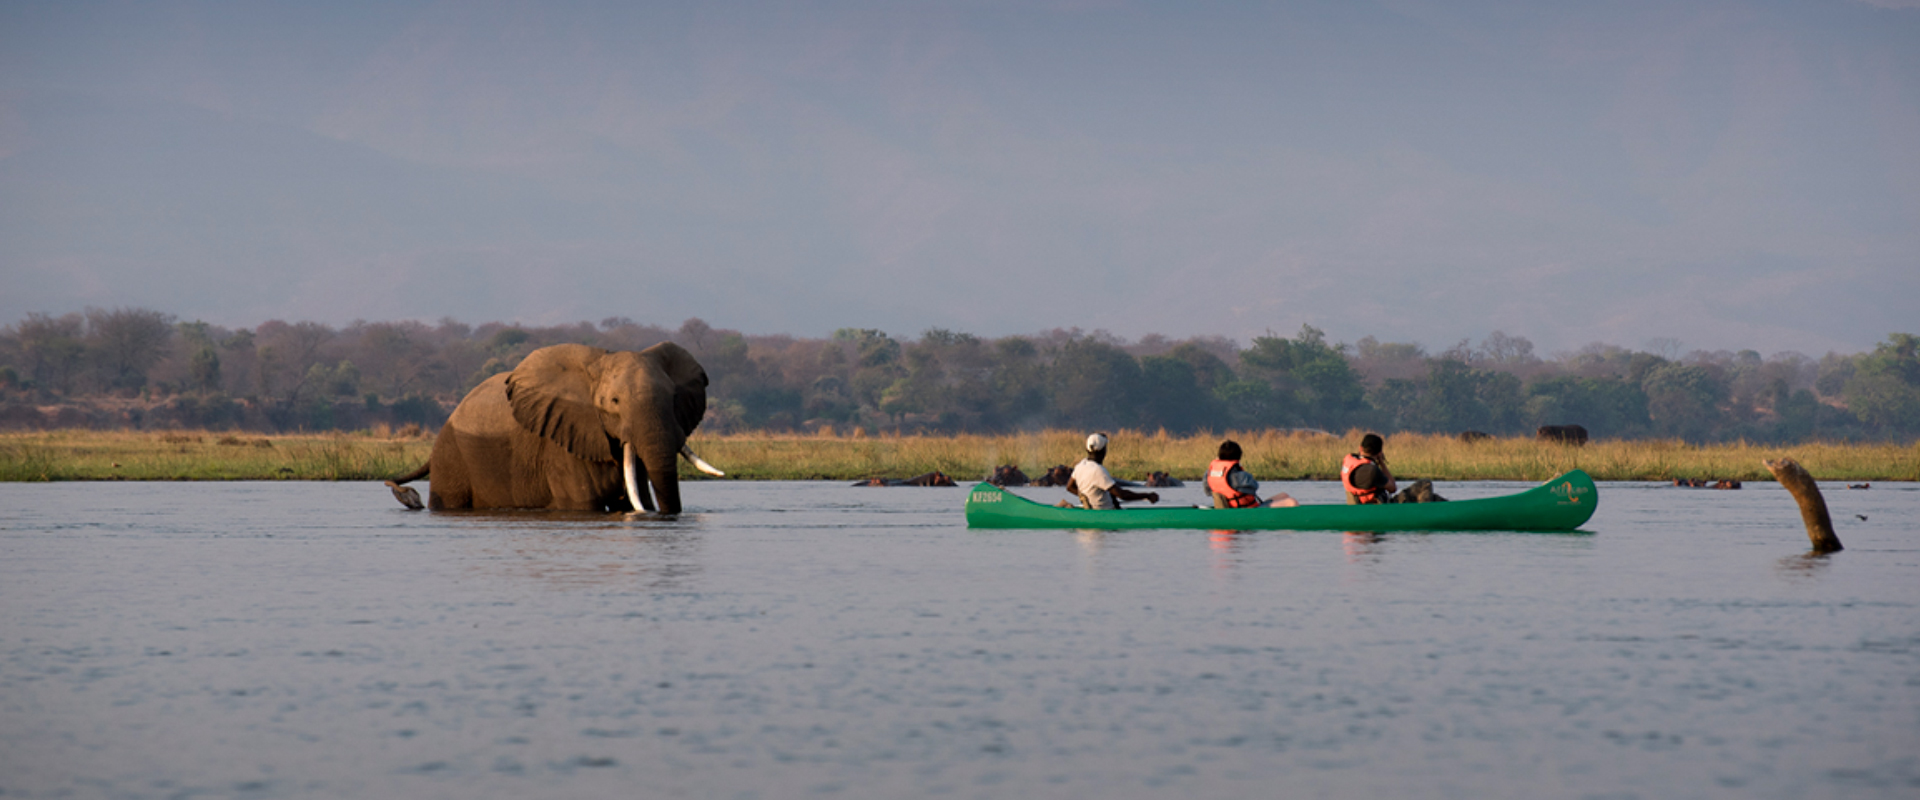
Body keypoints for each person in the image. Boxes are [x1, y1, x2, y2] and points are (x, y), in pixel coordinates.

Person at [1066, 432, 1160, 509]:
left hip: (1091, 510)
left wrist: (1088, 499)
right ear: (1103, 451)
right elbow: (1122, 495)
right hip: (1106, 512)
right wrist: (1147, 496)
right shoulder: (1099, 471)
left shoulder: (1080, 465)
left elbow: (1069, 487)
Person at [1206, 440, 1298, 508]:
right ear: (1238, 456)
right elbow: (1254, 488)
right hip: (1248, 510)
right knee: (1292, 502)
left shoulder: (1209, 473)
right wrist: (1239, 469)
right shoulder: (1238, 476)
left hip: (1233, 507)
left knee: (1284, 495)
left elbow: (1208, 491)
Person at [1341, 433, 1397, 504]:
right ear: (1379, 453)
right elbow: (1393, 488)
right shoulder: (1372, 471)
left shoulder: (1348, 460)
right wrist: (1381, 463)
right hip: (1373, 509)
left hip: (1353, 505)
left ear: (1361, 448)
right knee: (1415, 488)